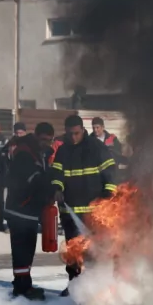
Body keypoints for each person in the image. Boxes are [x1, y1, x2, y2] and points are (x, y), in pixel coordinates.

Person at [50, 115, 117, 295]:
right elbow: (57, 173)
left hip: (92, 212)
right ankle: (75, 286)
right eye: (70, 134)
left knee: (95, 251)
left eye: (77, 133)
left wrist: (107, 193)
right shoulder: (63, 151)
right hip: (69, 210)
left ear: (82, 129)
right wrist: (57, 187)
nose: (73, 137)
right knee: (73, 251)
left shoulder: (96, 148)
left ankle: (98, 287)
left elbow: (110, 172)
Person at [4, 122, 56, 301]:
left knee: (28, 252)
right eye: (43, 140)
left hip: (30, 211)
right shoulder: (25, 154)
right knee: (21, 252)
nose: (46, 144)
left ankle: (25, 285)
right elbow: (33, 180)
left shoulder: (39, 153)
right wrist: (51, 189)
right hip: (20, 210)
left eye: (49, 141)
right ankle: (21, 289)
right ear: (36, 136)